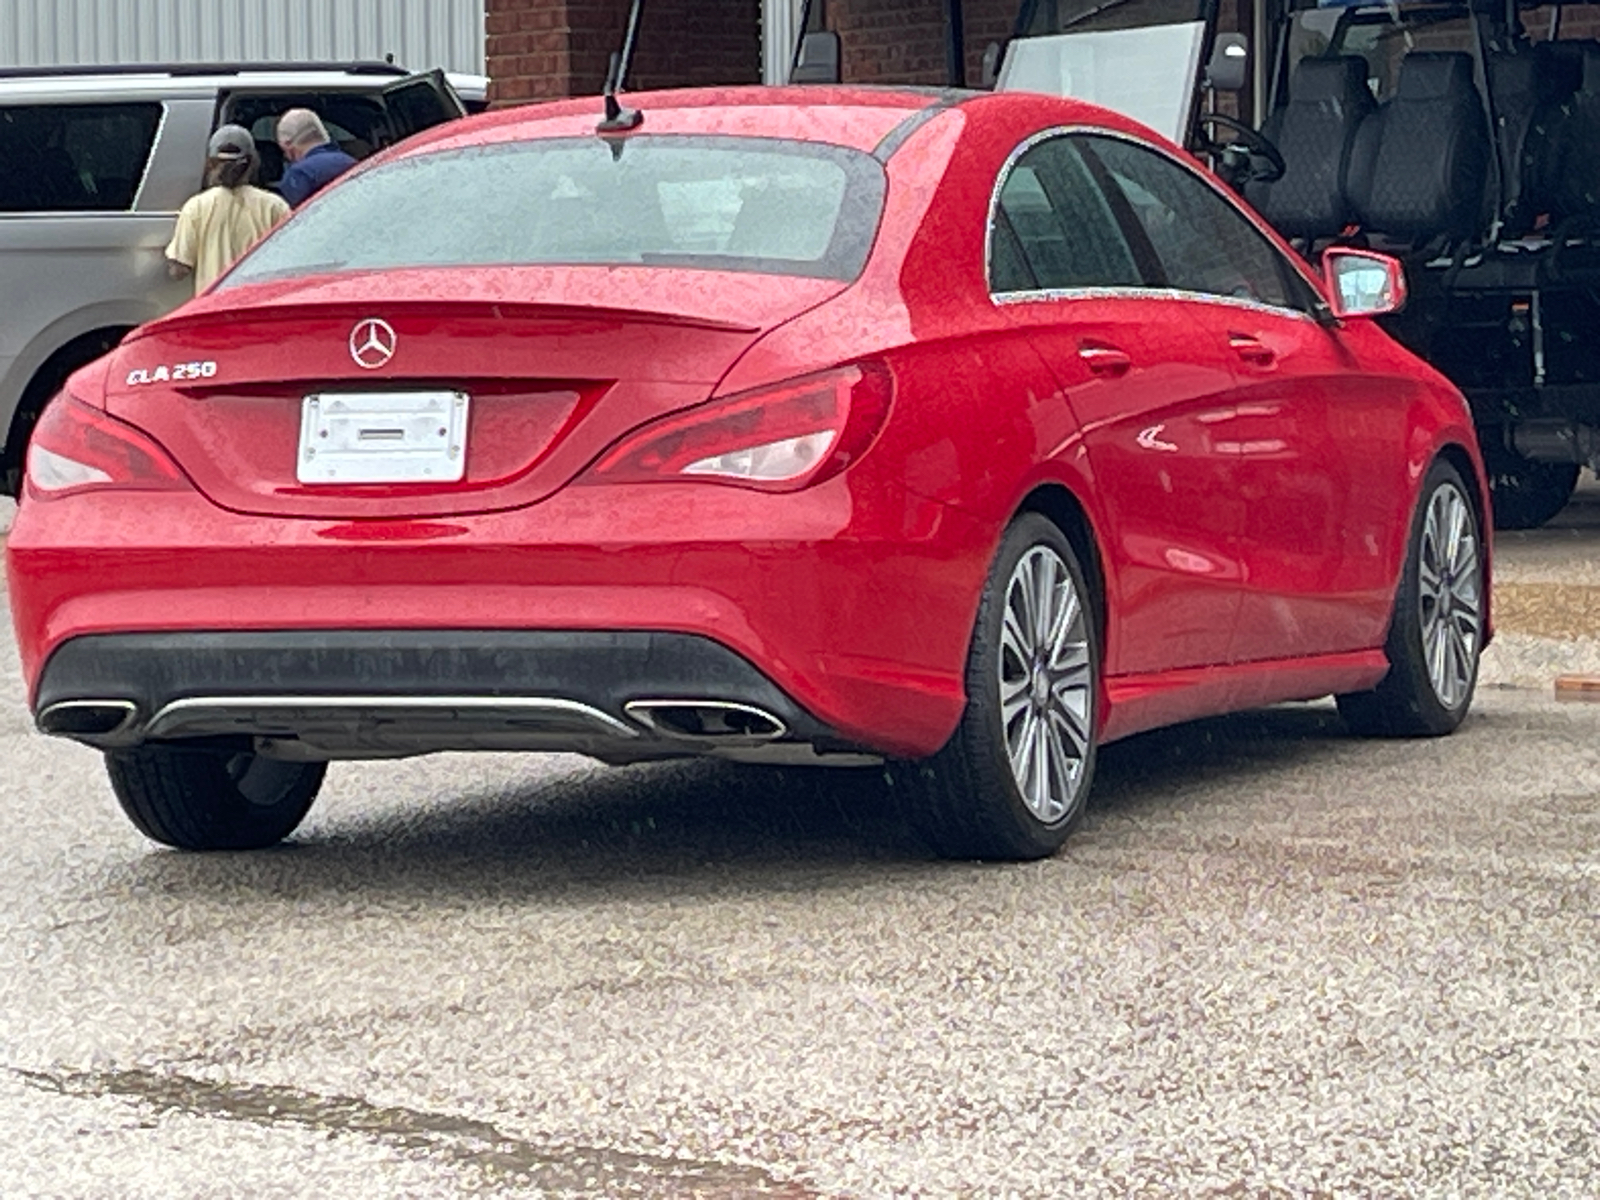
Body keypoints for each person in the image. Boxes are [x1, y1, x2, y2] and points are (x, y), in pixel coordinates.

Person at [165, 124, 290, 293]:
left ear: (210, 164)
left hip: (215, 309)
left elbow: (178, 271)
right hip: (259, 306)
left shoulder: (196, 207)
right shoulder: (275, 207)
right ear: (253, 163)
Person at [276, 109, 357, 207]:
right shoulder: (350, 162)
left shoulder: (298, 174)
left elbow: (298, 219)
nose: (285, 156)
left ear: (287, 145)